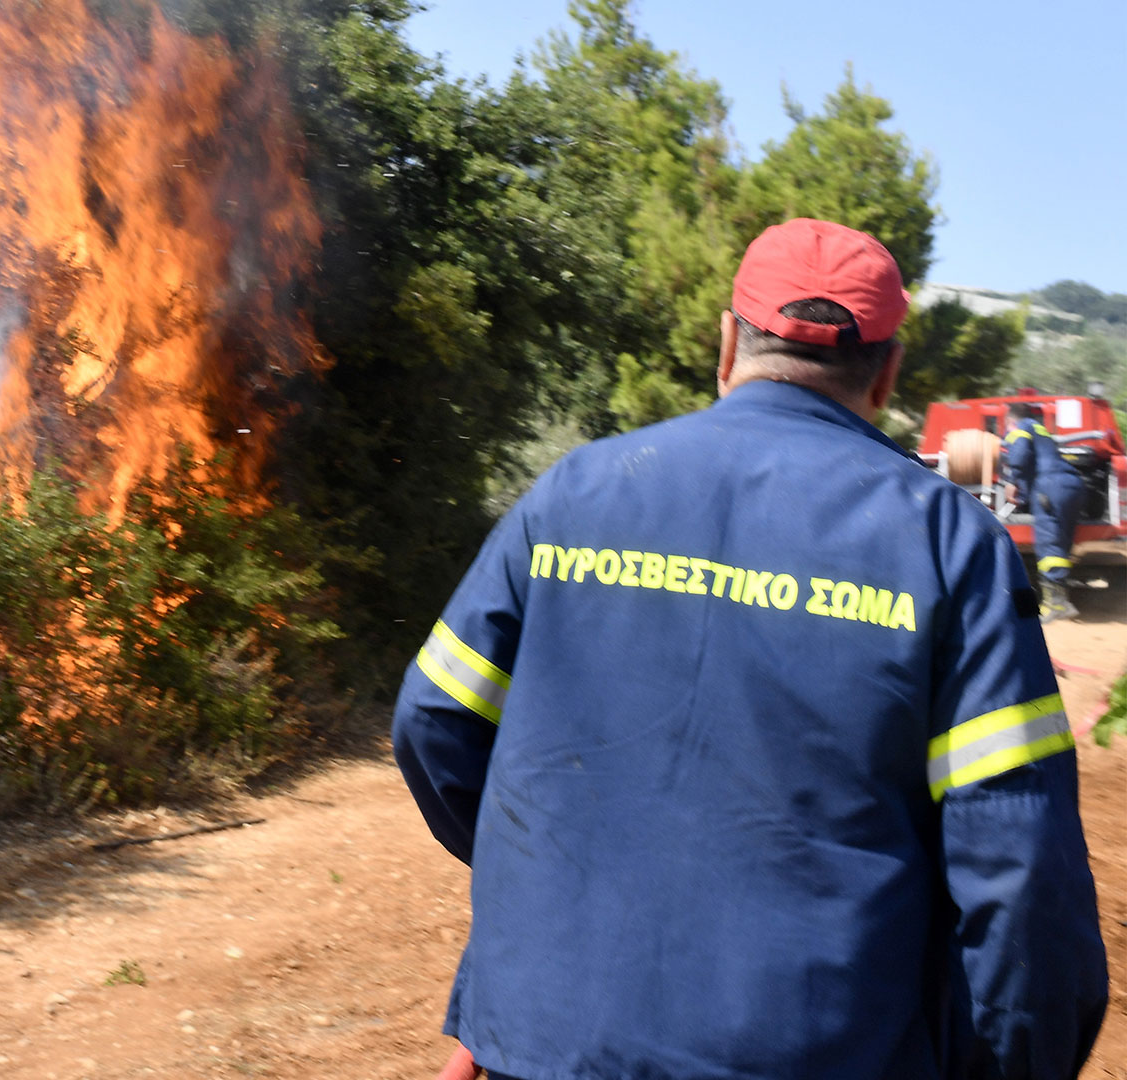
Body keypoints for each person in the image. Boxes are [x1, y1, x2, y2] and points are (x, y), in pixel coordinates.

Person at [394, 217, 1108, 1080]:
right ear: (888, 373)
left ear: (726, 342)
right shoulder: (950, 545)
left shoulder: (575, 491)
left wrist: (551, 893)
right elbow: (1018, 867)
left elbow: (436, 720)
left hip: (545, 1041)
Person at [1003, 401, 1085, 623]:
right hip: (1072, 484)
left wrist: (1012, 480)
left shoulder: (1020, 427)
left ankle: (1055, 605)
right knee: (1061, 545)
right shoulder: (1041, 430)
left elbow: (1019, 455)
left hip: (1049, 486)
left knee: (1048, 545)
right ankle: (1063, 602)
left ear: (1010, 420)